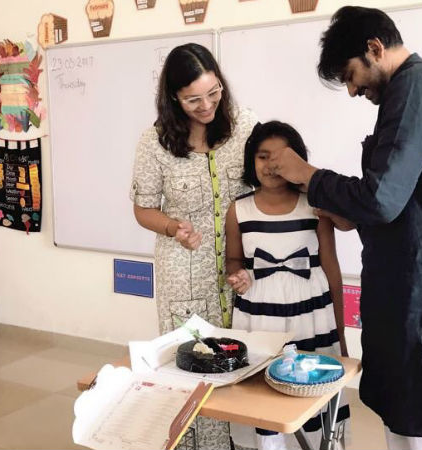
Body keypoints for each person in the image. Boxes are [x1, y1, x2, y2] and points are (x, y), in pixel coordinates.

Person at [266, 6, 422, 450]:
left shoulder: (417, 87)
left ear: (375, 48)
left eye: (351, 75)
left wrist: (309, 175)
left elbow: (382, 198)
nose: (351, 90)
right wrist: (347, 212)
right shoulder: (416, 88)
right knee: (407, 424)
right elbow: (401, 197)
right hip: (414, 288)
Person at [130, 43, 257, 450]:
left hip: (238, 268)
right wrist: (173, 227)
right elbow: (143, 209)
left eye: (213, 92)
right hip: (182, 273)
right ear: (173, 98)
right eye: (193, 99)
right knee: (191, 367)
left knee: (243, 363)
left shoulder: (244, 126)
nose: (206, 106)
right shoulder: (154, 142)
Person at [225, 121, 350, 450]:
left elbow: (331, 267)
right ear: (251, 161)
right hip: (260, 317)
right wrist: (237, 275)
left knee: (313, 391)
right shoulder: (239, 209)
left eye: (281, 157)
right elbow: (233, 261)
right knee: (265, 399)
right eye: (263, 156)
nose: (271, 165)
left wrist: (341, 334)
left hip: (311, 315)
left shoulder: (315, 205)